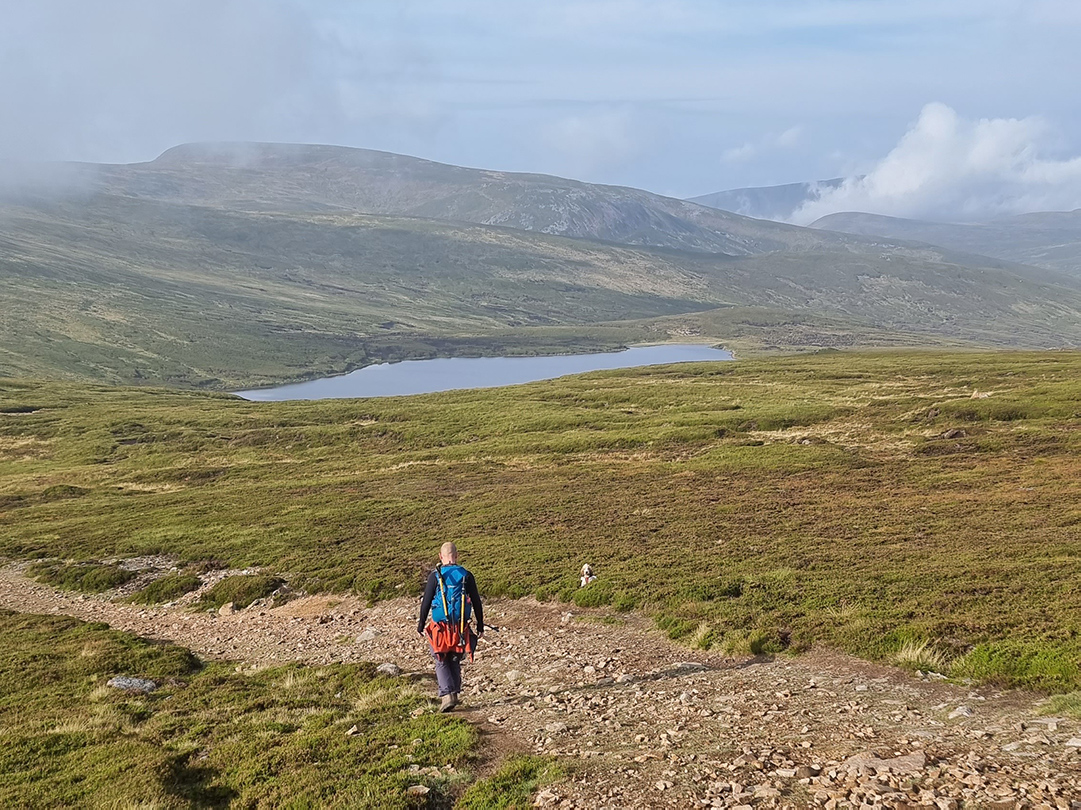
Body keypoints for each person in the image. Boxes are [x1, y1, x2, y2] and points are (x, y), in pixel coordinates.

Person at [416, 542, 483, 712]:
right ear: (457, 555)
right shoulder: (466, 575)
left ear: (441, 556)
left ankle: (447, 696)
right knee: (454, 657)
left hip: (440, 626)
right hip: (460, 626)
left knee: (440, 657)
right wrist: (480, 625)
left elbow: (426, 602)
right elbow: (476, 602)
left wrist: (421, 624)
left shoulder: (435, 576)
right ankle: (454, 694)